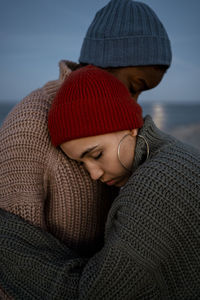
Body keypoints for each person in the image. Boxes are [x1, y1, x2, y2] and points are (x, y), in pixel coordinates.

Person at [0, 0, 172, 297]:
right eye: (134, 85)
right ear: (105, 59)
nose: (135, 103)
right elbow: (13, 263)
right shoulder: (30, 126)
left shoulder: (119, 125)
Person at [1, 65, 200, 299]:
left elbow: (94, 295)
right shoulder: (175, 153)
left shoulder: (155, 186)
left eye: (96, 155)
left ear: (129, 126)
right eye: (82, 164)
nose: (93, 174)